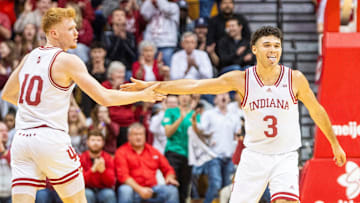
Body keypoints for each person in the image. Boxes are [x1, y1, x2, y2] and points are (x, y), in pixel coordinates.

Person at [120, 25, 347, 203]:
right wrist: (156, 86)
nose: (273, 50)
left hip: (285, 155)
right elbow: (195, 86)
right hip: (255, 155)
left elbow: (317, 110)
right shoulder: (241, 79)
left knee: (288, 201)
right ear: (255, 49)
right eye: (267, 45)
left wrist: (334, 144)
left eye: (277, 46)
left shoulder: (294, 78)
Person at [1, 7, 165, 203]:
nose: (77, 33)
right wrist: (142, 95)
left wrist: (37, 108)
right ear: (54, 33)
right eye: (70, 29)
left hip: (22, 140)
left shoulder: (29, 57)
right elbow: (103, 97)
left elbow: (9, 94)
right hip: (50, 138)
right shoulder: (68, 61)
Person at [191, 93, 239, 203]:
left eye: (226, 95)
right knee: (215, 183)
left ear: (229, 99)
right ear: (215, 100)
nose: (223, 97)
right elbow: (200, 131)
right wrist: (194, 121)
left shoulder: (234, 116)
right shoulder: (209, 114)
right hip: (214, 155)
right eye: (220, 95)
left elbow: (237, 135)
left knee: (226, 187)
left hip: (229, 156)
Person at [115, 122, 179, 203]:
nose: (138, 137)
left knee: (171, 190)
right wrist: (140, 190)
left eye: (141, 134)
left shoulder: (153, 151)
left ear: (145, 136)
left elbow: (168, 168)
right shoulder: (121, 152)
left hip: (152, 189)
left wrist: (169, 177)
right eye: (135, 134)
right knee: (125, 190)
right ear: (129, 137)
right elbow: (123, 176)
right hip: (133, 190)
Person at [80, 130, 116, 203]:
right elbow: (80, 182)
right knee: (87, 194)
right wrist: (93, 170)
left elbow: (112, 182)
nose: (95, 143)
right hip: (87, 189)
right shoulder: (81, 158)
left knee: (109, 194)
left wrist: (103, 171)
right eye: (92, 140)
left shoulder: (108, 158)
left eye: (98, 140)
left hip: (104, 189)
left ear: (103, 143)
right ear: (87, 142)